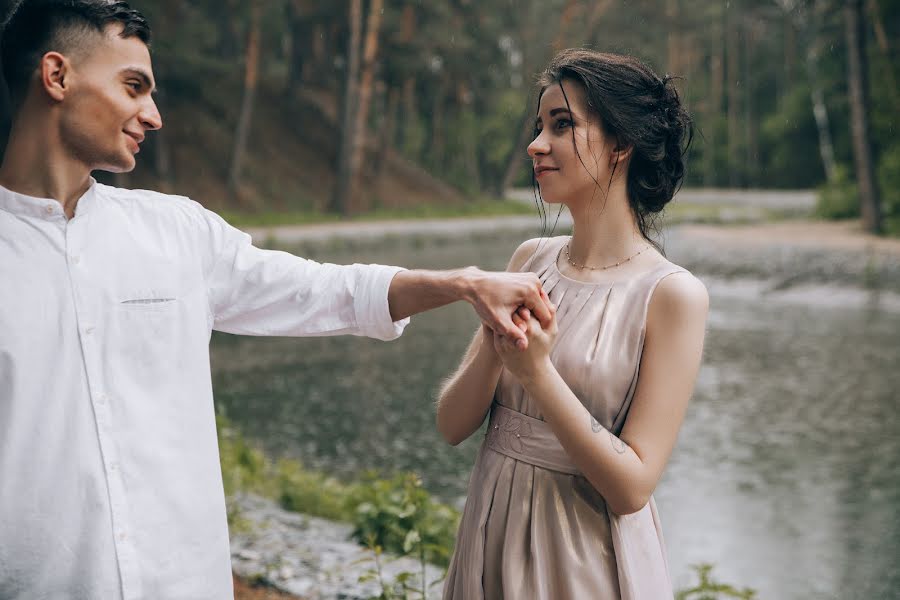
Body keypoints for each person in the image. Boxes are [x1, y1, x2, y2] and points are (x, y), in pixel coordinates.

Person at [0, 2, 554, 599]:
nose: (154, 116)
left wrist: (465, 284)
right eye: (133, 86)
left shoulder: (178, 233)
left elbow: (327, 292)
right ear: (56, 77)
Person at [437, 48, 710, 600]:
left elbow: (633, 486)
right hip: (489, 536)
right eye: (539, 126)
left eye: (562, 125)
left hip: (584, 562)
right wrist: (497, 340)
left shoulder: (672, 295)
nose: (537, 145)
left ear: (622, 144)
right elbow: (451, 425)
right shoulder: (528, 260)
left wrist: (538, 374)